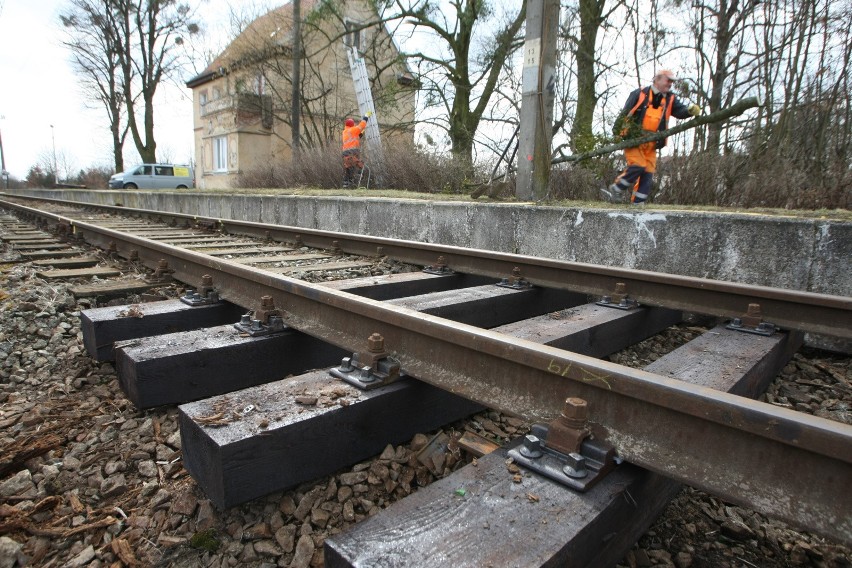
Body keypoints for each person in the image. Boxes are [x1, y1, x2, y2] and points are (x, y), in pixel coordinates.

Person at [600, 69, 701, 205]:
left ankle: (638, 203)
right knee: (638, 165)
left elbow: (680, 111)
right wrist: (617, 133)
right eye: (668, 80)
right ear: (657, 79)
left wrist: (690, 111)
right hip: (634, 140)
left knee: (647, 173)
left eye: (672, 81)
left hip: (653, 143)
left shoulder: (670, 99)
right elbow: (625, 113)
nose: (670, 84)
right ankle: (617, 188)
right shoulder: (640, 94)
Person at [342, 113, 370, 188]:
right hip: (352, 152)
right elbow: (362, 125)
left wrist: (361, 134)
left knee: (348, 168)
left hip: (345, 154)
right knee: (360, 165)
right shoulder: (353, 129)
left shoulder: (345, 132)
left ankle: (346, 184)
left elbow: (355, 138)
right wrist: (366, 116)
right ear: (352, 124)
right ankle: (358, 178)